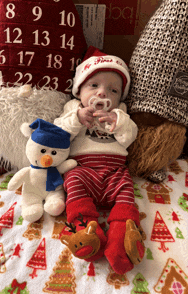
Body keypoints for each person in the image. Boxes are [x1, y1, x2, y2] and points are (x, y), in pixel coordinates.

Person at [54, 46, 144, 275]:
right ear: (79, 90)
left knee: (126, 188)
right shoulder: (72, 108)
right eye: (94, 86)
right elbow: (58, 133)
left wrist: (118, 122)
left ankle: (122, 234)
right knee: (72, 181)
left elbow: (129, 138)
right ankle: (85, 229)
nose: (102, 94)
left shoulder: (120, 112)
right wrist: (76, 118)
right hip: (83, 168)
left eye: (113, 90)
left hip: (115, 170)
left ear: (120, 98)